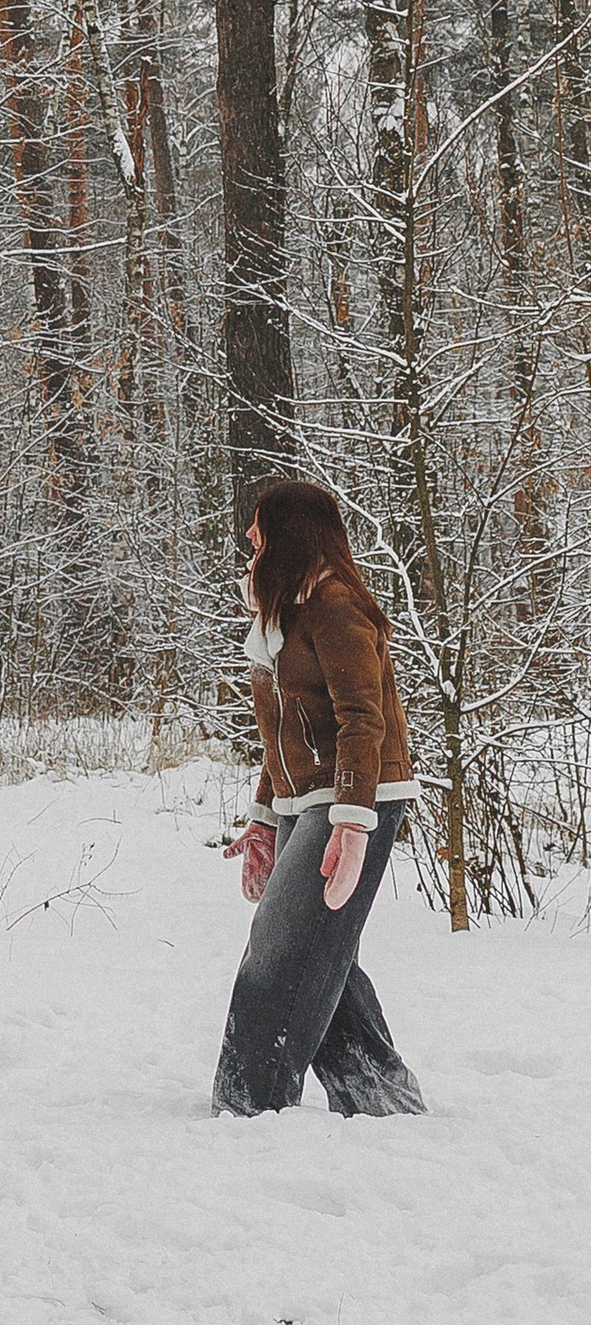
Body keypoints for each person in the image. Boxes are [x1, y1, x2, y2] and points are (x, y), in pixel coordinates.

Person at [214, 474, 423, 1119]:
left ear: (288, 537)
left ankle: (248, 1111)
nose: (250, 553)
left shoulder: (336, 605)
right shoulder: (285, 618)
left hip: (356, 803)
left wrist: (353, 824)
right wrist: (263, 818)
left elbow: (364, 719)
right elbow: (281, 737)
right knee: (323, 953)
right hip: (313, 805)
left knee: (280, 949)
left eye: (257, 539)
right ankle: (383, 1102)